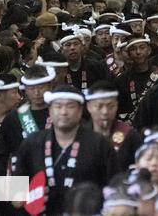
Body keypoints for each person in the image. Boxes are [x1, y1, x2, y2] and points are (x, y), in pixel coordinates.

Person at [13, 85, 118, 216]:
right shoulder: (32, 143)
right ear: (50, 111)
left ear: (80, 111)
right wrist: (26, 196)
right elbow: (16, 194)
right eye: (58, 106)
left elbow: (114, 186)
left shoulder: (99, 144)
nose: (63, 112)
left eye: (70, 106)